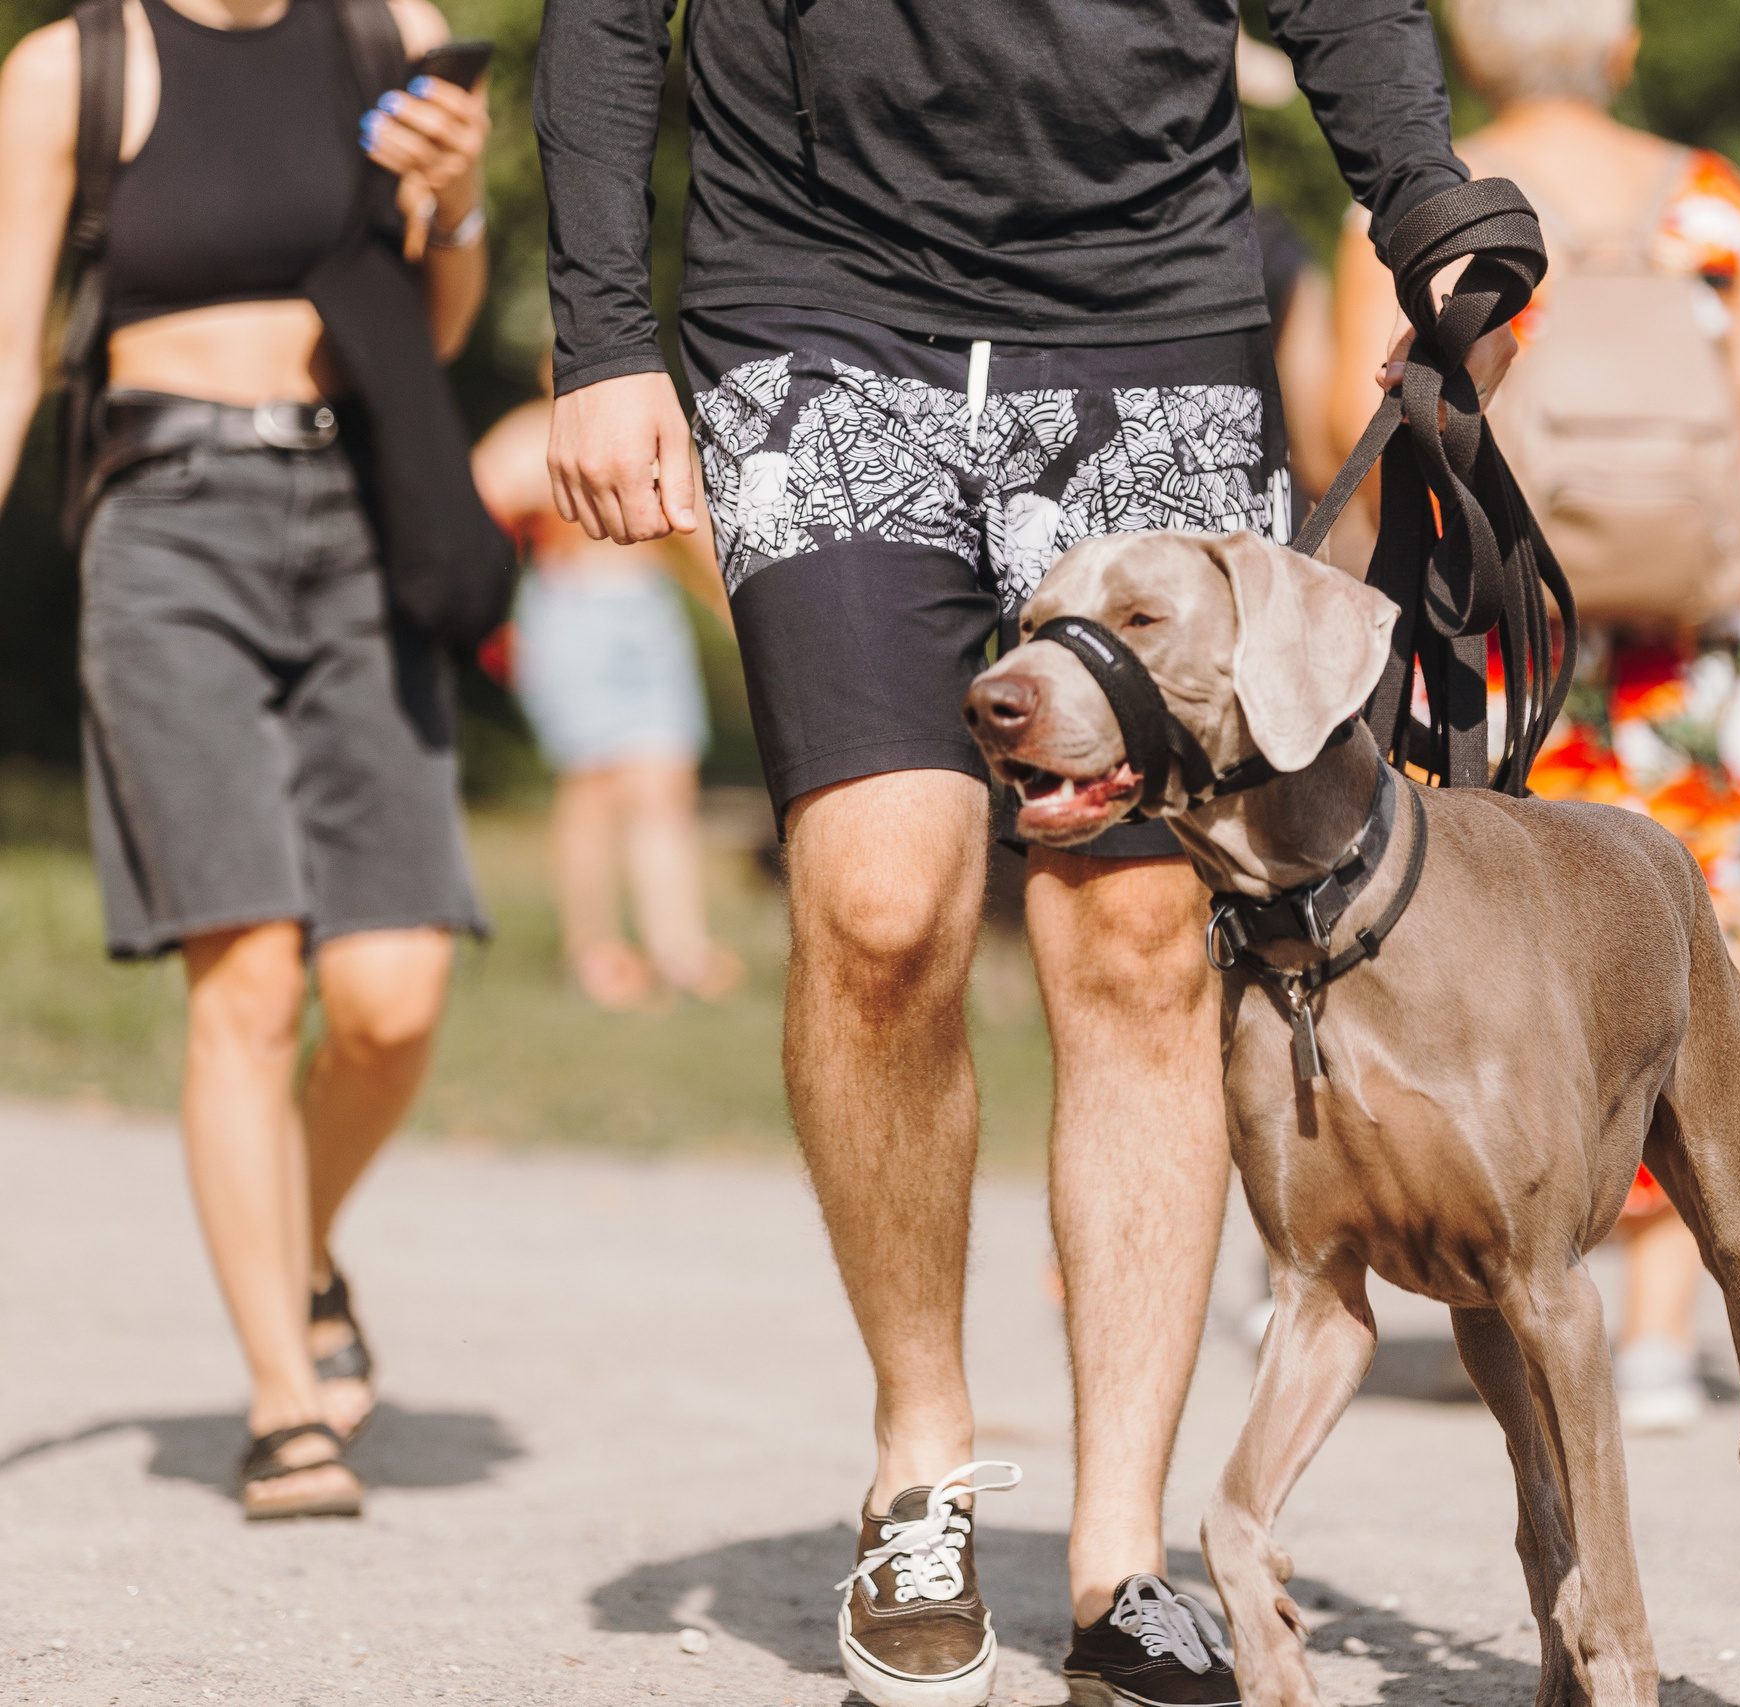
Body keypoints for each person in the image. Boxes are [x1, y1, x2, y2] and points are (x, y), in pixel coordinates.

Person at [530, 4, 1513, 1703]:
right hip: (815, 312)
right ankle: (921, 1465)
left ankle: (1122, 1561)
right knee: (878, 905)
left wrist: (1422, 198)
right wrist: (602, 332)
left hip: (1149, 319)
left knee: (1134, 941)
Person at [0, 0, 490, 1514]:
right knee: (251, 973)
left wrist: (460, 199)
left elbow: (437, 325)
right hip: (165, 523)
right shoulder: (72, 69)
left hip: (361, 517)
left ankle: (300, 1244)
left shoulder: (389, 31)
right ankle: (286, 1404)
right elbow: (10, 354)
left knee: (394, 995)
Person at [1329, 0, 1740, 1432]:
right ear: (1622, 49)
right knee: (1708, 942)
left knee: (1501, 948)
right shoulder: (1717, 204)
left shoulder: (1417, 215)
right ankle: (1666, 1328)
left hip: (1500, 634)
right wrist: (1698, 558)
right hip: (1706, 659)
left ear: (1465, 53)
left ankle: (1512, 1285)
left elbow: (1342, 428)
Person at [472, 375, 743, 1011]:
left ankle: (679, 949)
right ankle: (593, 950)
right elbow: (469, 520)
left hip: (647, 609)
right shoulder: (526, 436)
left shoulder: (652, 428)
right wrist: (486, 621)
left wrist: (732, 609)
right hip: (571, 610)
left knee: (665, 782)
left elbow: (691, 530)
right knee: (592, 784)